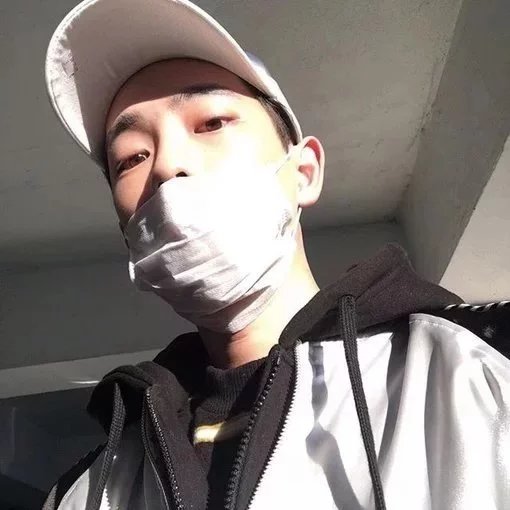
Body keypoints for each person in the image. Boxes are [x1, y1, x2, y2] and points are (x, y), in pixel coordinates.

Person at [43, 0, 510, 509]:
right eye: (131, 157)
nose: (167, 165)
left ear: (303, 172)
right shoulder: (87, 492)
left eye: (212, 122)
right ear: (128, 232)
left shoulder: (481, 371)